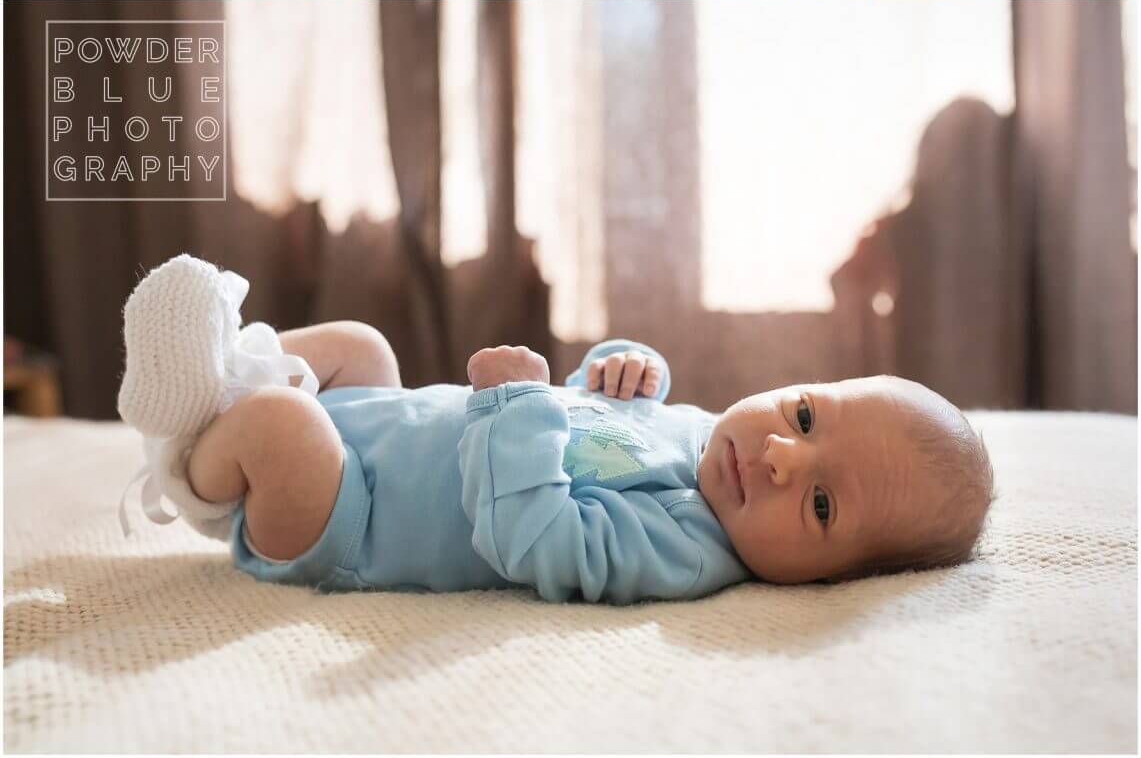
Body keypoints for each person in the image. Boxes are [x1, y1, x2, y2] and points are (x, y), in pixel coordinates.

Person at [117, 256, 995, 602]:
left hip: (345, 520)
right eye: (804, 416)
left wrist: (513, 404)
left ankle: (190, 451)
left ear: (829, 579)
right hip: (376, 425)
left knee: (282, 428)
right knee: (360, 345)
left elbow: (530, 533)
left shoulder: (683, 552)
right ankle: (227, 365)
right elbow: (592, 420)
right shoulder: (702, 438)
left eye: (819, 506)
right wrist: (617, 369)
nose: (777, 456)